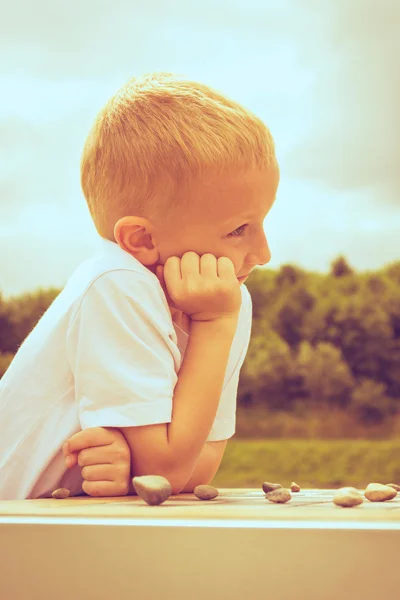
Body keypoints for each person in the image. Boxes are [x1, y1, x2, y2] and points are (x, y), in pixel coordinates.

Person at [0, 72, 279, 500]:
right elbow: (167, 471)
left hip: (55, 531)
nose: (263, 253)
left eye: (262, 223)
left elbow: (198, 467)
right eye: (239, 229)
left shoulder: (227, 298)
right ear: (142, 240)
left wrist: (132, 466)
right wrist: (216, 324)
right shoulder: (118, 284)